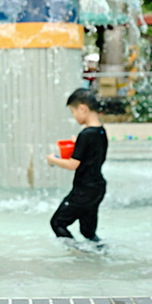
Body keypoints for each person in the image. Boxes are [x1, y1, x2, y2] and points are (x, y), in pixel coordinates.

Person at [45, 88, 108, 244]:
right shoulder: (100, 131)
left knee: (57, 222)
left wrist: (53, 159)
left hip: (83, 190)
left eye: (73, 112)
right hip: (97, 188)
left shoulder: (85, 135)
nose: (74, 117)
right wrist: (77, 145)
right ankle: (100, 253)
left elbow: (73, 164)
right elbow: (94, 153)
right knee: (87, 232)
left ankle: (76, 254)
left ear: (82, 108)